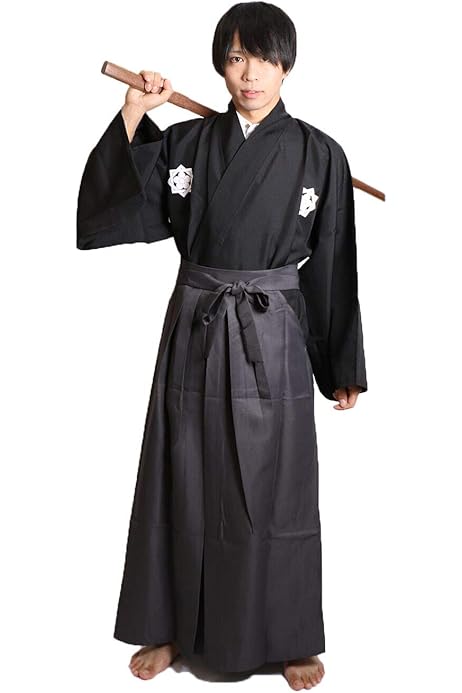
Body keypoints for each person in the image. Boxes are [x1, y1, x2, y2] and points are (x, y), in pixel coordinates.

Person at [77, 2, 367, 689]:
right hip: (199, 325)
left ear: (286, 65)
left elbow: (332, 262)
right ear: (221, 66)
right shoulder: (188, 143)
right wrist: (133, 115)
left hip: (274, 333)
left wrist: (339, 363)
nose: (250, 74)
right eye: (236, 58)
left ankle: (289, 636)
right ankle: (170, 626)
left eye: (263, 59)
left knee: (278, 490)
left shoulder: (321, 154)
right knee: (183, 477)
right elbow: (121, 204)